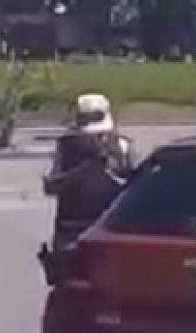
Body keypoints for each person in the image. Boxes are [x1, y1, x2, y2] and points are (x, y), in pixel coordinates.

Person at [42, 93, 136, 251]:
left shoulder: (66, 147)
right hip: (96, 227)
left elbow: (51, 186)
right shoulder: (122, 146)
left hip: (86, 227)